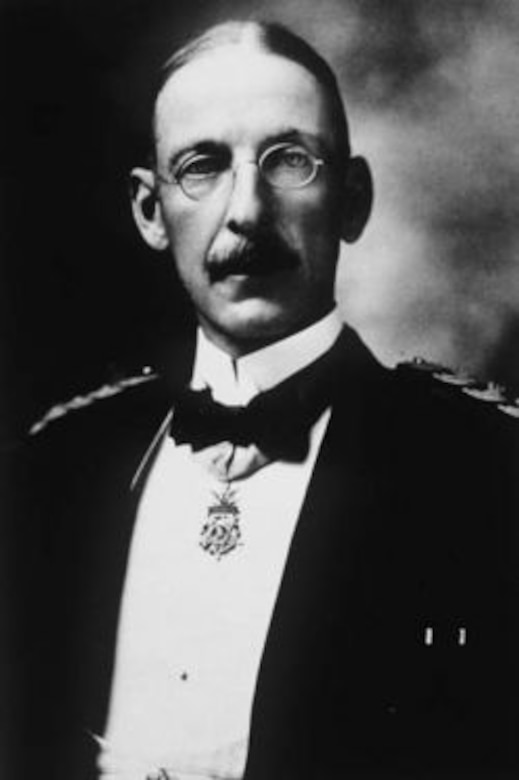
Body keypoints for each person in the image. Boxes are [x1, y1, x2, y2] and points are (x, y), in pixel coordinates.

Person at [9, 19, 519, 780]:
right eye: (202, 166)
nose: (245, 211)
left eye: (288, 161)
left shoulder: (485, 470)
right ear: (150, 211)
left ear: (351, 201)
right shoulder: (57, 465)